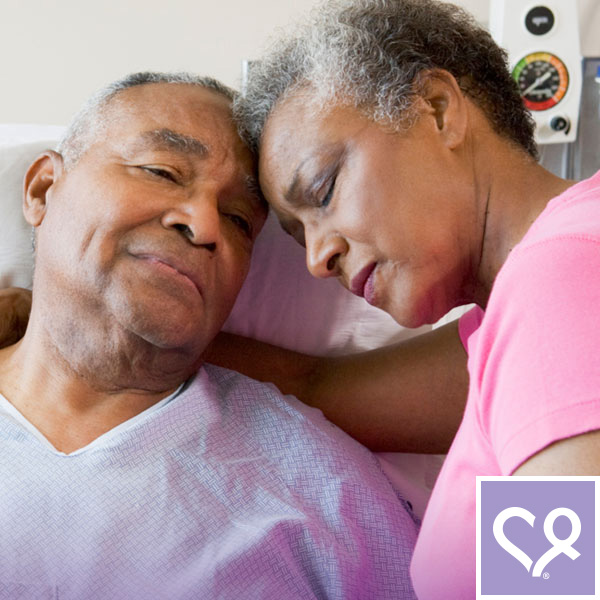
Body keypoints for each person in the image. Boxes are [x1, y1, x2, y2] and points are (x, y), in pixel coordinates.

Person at [205, 0, 600, 597]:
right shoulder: (519, 316)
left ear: (438, 110)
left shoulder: (560, 277)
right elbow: (313, 388)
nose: (317, 259)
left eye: (324, 188)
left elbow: (554, 588)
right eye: (297, 234)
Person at [0, 72, 419, 599]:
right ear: (42, 189)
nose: (204, 224)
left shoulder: (320, 484)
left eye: (239, 219)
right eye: (162, 171)